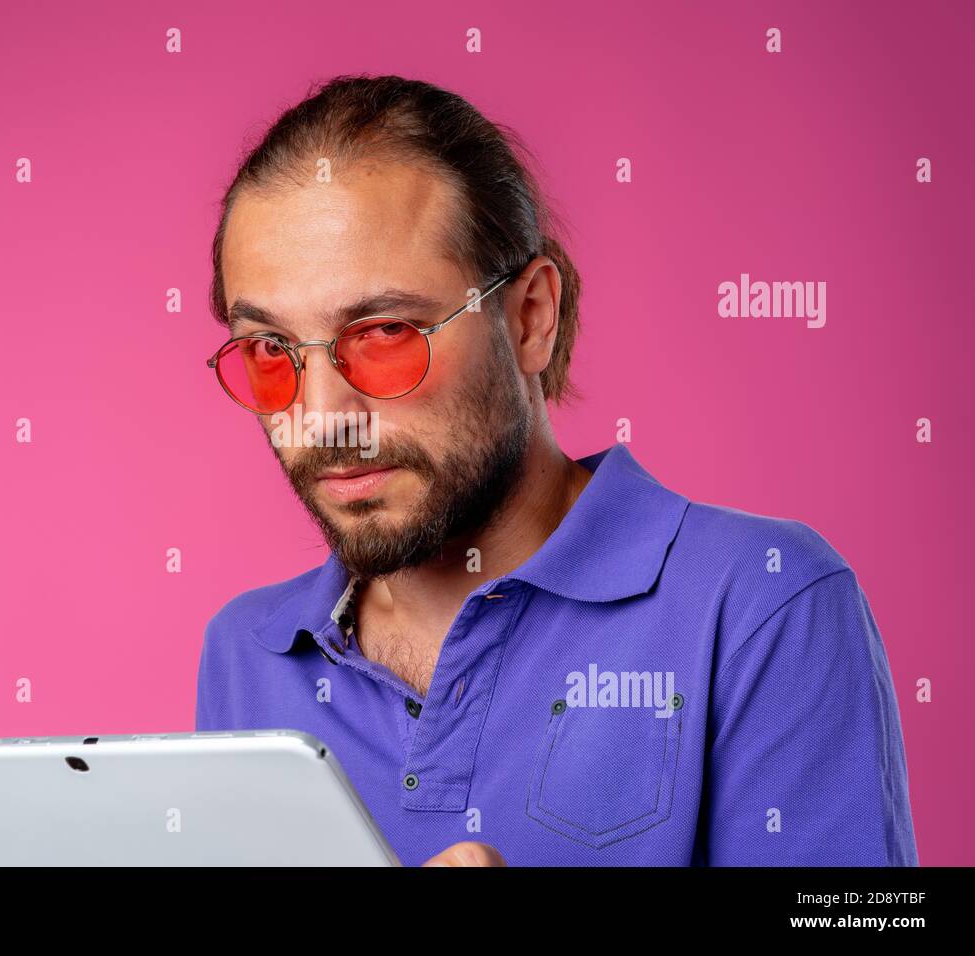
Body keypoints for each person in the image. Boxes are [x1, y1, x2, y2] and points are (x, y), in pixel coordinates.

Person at [195, 74, 917, 867]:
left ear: (531, 317)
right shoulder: (247, 655)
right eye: (270, 349)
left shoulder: (761, 602)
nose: (322, 416)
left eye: (386, 332)